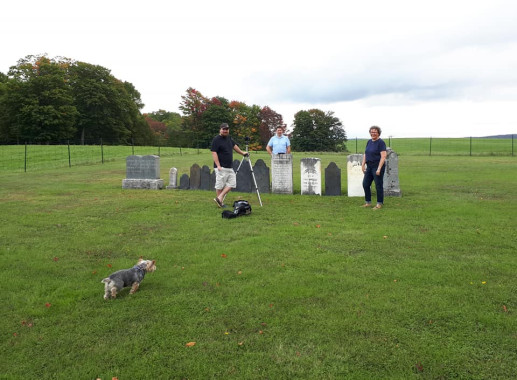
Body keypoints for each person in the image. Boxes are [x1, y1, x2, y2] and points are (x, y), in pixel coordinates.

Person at [211, 123, 248, 208]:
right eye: (223, 129)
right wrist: (218, 165)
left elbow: (235, 146)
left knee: (232, 183)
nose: (225, 131)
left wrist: (242, 153)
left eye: (226, 129)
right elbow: (214, 152)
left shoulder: (229, 138)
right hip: (221, 166)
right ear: (220, 129)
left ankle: (219, 198)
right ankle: (220, 203)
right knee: (220, 185)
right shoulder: (216, 139)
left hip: (229, 166)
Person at [361, 126, 387, 210]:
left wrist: (379, 168)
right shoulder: (369, 142)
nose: (373, 133)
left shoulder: (381, 143)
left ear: (378, 133)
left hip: (377, 166)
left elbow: (383, 156)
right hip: (369, 166)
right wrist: (363, 164)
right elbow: (366, 154)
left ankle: (379, 203)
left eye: (375, 132)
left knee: (378, 185)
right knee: (365, 184)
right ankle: (368, 202)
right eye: (371, 132)